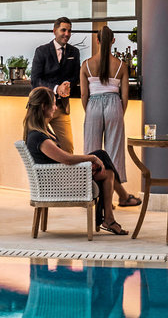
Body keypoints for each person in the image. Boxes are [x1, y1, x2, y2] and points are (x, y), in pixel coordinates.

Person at [23, 87, 128, 235]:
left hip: (61, 177)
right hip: (58, 184)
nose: (55, 108)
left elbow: (63, 160)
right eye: (53, 104)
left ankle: (110, 217)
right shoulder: (38, 137)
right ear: (43, 106)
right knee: (102, 158)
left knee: (107, 169)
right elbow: (66, 159)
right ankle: (111, 214)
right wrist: (91, 158)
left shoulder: (40, 132)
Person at [80, 25, 141, 207]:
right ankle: (114, 198)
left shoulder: (86, 65)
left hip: (93, 105)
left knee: (91, 153)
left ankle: (94, 197)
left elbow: (84, 95)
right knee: (114, 154)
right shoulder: (121, 66)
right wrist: (119, 112)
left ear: (97, 40)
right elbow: (125, 97)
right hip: (115, 104)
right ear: (113, 41)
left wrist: (90, 110)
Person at [30, 17, 81, 153]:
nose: (67, 34)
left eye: (69, 31)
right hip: (42, 107)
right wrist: (56, 88)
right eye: (63, 30)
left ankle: (66, 168)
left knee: (68, 147)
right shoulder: (41, 51)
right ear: (54, 31)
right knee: (37, 145)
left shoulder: (74, 52)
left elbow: (75, 77)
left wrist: (67, 85)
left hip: (62, 107)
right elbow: (35, 80)